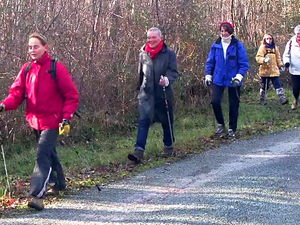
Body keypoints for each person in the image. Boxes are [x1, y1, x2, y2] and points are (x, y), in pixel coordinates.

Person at [0, 33, 79, 210]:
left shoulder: (56, 68)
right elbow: (16, 94)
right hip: (35, 120)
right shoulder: (27, 69)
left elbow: (71, 96)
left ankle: (36, 195)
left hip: (54, 120)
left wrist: (67, 117)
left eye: (36, 46)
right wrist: (4, 105)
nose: (32, 50)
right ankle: (59, 184)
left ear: (45, 47)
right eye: (30, 47)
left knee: (42, 154)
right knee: (49, 152)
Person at [128, 27, 178, 163]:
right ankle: (138, 152)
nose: (150, 40)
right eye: (149, 38)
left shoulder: (169, 54)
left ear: (160, 38)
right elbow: (140, 74)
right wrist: (138, 88)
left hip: (163, 93)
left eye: (153, 37)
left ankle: (168, 147)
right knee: (143, 121)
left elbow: (173, 72)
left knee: (166, 121)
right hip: (146, 94)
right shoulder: (143, 54)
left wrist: (167, 80)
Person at [205, 22, 249, 138]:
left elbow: (244, 64)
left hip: (233, 79)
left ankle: (232, 128)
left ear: (230, 32)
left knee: (233, 104)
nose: (224, 33)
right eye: (222, 31)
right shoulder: (216, 45)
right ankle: (220, 124)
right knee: (215, 101)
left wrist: (239, 76)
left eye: (226, 31)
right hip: (219, 78)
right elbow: (210, 62)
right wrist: (208, 75)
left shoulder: (238, 45)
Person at [256, 34, 288, 105]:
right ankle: (262, 98)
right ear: (264, 39)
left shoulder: (275, 48)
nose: (269, 40)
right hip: (265, 71)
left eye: (270, 39)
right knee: (265, 86)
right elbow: (258, 57)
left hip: (274, 70)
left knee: (278, 84)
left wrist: (280, 65)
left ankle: (282, 98)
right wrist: (263, 60)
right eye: (267, 39)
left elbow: (278, 58)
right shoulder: (263, 47)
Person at [283, 25, 300, 110]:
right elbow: (286, 54)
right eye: (298, 34)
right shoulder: (291, 42)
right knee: (295, 88)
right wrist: (286, 62)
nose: (299, 36)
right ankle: (296, 99)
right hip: (295, 70)